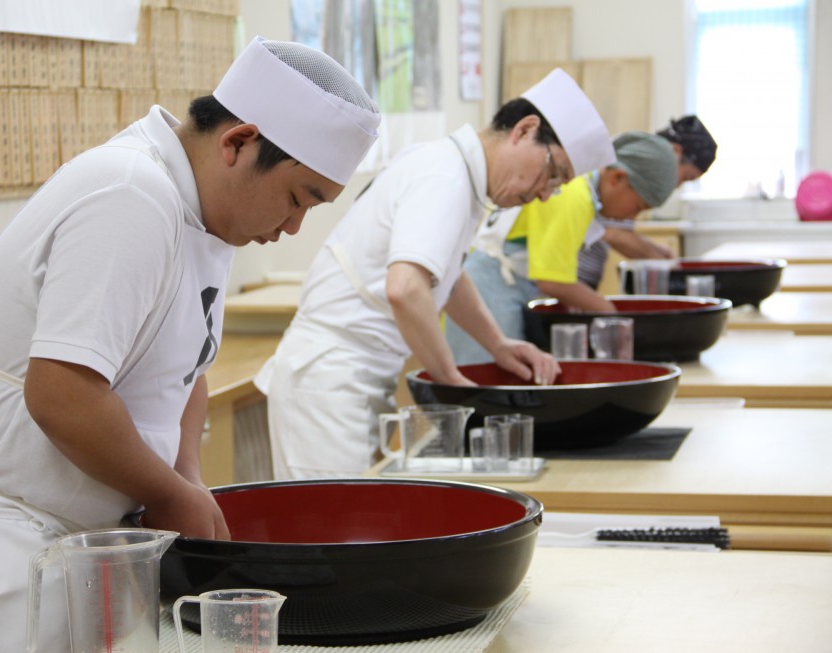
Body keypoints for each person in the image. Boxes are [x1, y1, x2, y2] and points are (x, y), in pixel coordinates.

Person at [0, 37, 380, 653]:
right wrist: (169, 494)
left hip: (78, 546)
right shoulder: (131, 194)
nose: (294, 226)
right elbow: (62, 394)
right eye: (299, 198)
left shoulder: (206, 217)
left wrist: (187, 476)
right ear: (237, 142)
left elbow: (187, 366)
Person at [255, 69, 615, 480]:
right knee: (331, 529)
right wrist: (450, 381)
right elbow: (406, 290)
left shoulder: (457, 174)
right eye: (553, 173)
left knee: (355, 524)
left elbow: (446, 276)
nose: (544, 193)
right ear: (525, 130)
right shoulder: (444, 176)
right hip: (330, 379)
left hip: (351, 375)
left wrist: (497, 344)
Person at [447, 131, 677, 364]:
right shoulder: (575, 196)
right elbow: (553, 280)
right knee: (484, 384)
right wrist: (613, 313)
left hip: (500, 284)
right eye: (638, 206)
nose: (633, 216)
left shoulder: (581, 189)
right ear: (617, 178)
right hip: (491, 291)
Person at [579, 114, 719, 288]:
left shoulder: (636, 177)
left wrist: (660, 253)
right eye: (685, 177)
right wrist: (662, 262)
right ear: (675, 152)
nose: (677, 186)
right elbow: (610, 231)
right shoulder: (631, 167)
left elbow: (618, 228)